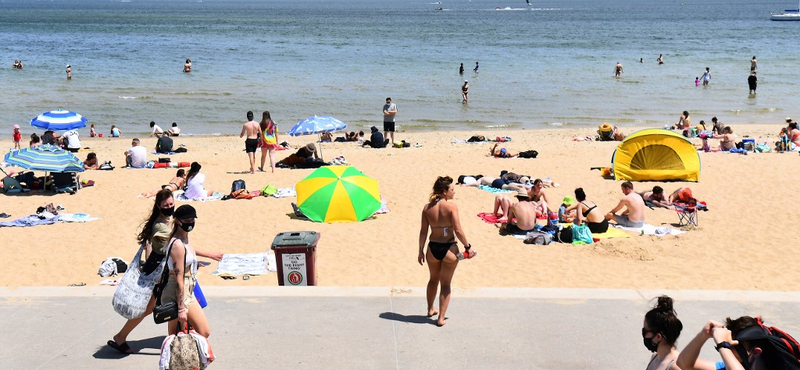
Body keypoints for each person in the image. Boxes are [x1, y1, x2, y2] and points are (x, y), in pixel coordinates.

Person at [107, 189, 175, 354]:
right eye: (166, 205)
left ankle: (121, 336)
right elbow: (170, 245)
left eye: (172, 204)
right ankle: (174, 343)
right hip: (161, 274)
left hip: (165, 271)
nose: (170, 207)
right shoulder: (160, 224)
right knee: (170, 306)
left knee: (151, 308)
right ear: (159, 206)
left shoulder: (167, 220)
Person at [418, 176, 475, 327]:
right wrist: (468, 247)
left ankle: (430, 309)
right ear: (444, 192)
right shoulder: (451, 207)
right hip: (449, 248)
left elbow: (423, 231)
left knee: (433, 279)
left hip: (432, 248)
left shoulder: (427, 208)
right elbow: (458, 229)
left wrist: (420, 250)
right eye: (452, 189)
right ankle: (441, 318)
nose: (454, 192)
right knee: (446, 284)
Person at [165, 205, 223, 339]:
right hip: (180, 290)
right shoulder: (177, 244)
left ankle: (185, 357)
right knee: (202, 331)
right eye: (186, 220)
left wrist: (206, 257)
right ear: (178, 221)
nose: (190, 222)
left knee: (177, 334)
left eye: (192, 219)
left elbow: (189, 253)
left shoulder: (184, 237)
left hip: (189, 286)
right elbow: (179, 279)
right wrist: (181, 309)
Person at [677, 316, 798, 370]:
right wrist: (703, 335)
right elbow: (684, 364)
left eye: (734, 346)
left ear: (756, 352)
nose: (729, 351)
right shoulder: (736, 365)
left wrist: (722, 345)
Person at [642, 296, 684, 370]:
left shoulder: (675, 366)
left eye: (644, 331)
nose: (643, 335)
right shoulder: (654, 357)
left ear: (658, 337)